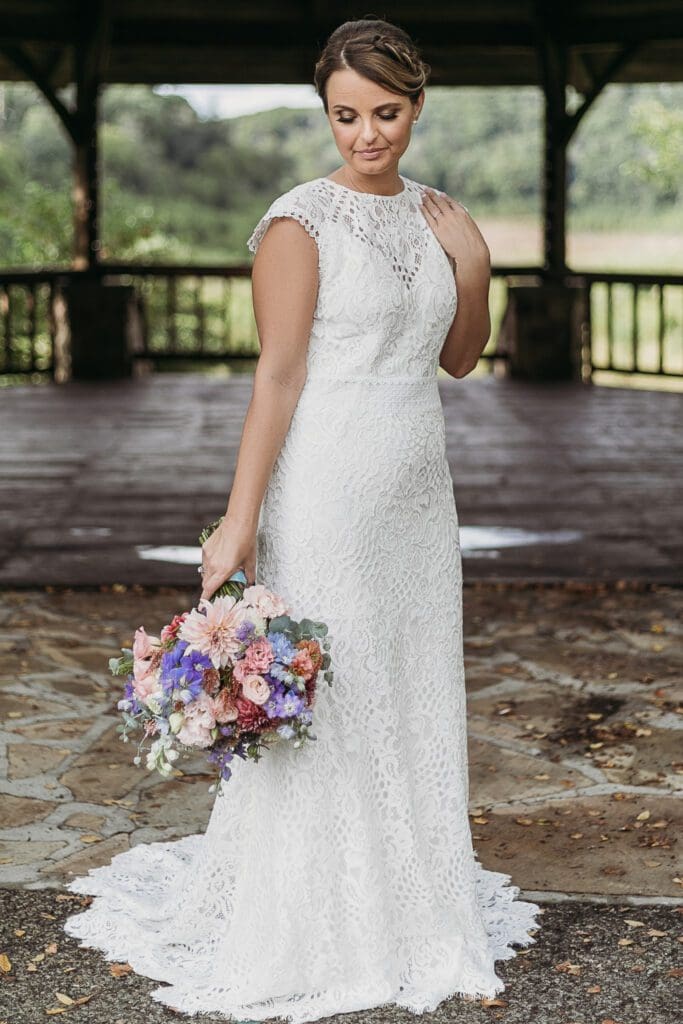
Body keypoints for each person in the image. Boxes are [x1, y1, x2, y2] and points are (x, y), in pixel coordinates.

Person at [63, 17, 541, 1022]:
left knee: (408, 679)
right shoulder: (298, 223)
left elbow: (459, 359)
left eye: (386, 113)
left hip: (417, 492)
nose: (365, 134)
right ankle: (325, 915)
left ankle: (410, 903)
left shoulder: (437, 216)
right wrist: (238, 521)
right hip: (324, 485)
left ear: (417, 106)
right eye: (344, 115)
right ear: (325, 112)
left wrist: (474, 266)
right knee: (338, 689)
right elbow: (276, 378)